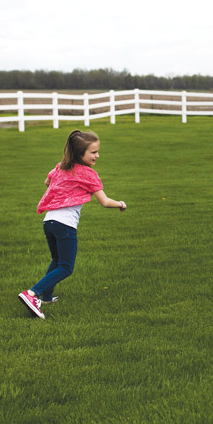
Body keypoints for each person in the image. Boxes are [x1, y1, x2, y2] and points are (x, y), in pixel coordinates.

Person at [18, 130, 126, 319]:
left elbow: (47, 181)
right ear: (79, 153)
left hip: (49, 222)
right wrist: (121, 204)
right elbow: (105, 201)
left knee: (57, 261)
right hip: (65, 225)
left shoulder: (61, 166)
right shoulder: (89, 174)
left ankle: (47, 297)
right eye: (93, 152)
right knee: (66, 267)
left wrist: (64, 189)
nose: (97, 156)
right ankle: (32, 294)